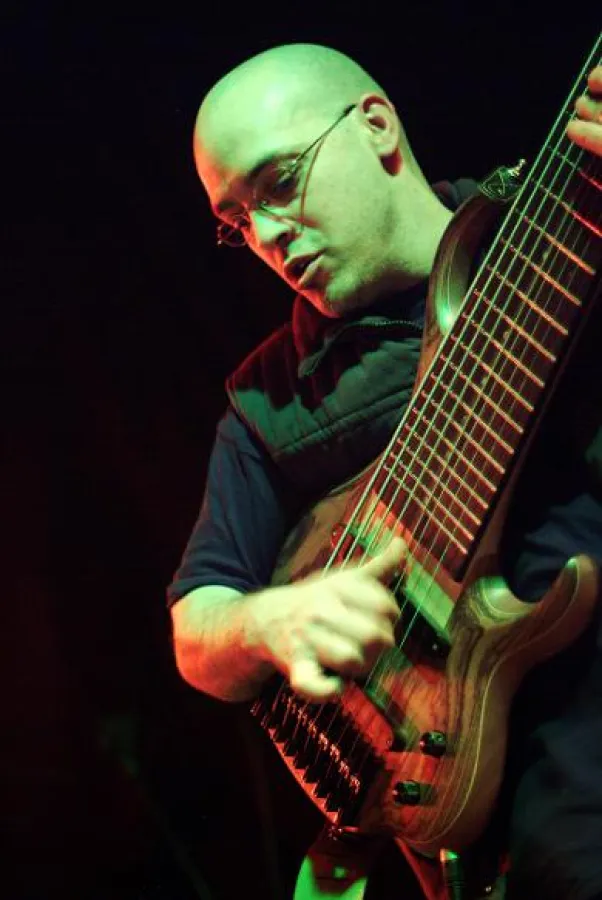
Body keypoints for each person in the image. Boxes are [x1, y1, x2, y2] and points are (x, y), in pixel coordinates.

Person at [167, 42, 602, 899]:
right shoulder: (267, 402)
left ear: (375, 126)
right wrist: (269, 622)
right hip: (522, 838)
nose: (267, 236)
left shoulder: (556, 232)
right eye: (238, 220)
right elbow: (196, 628)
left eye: (280, 183)